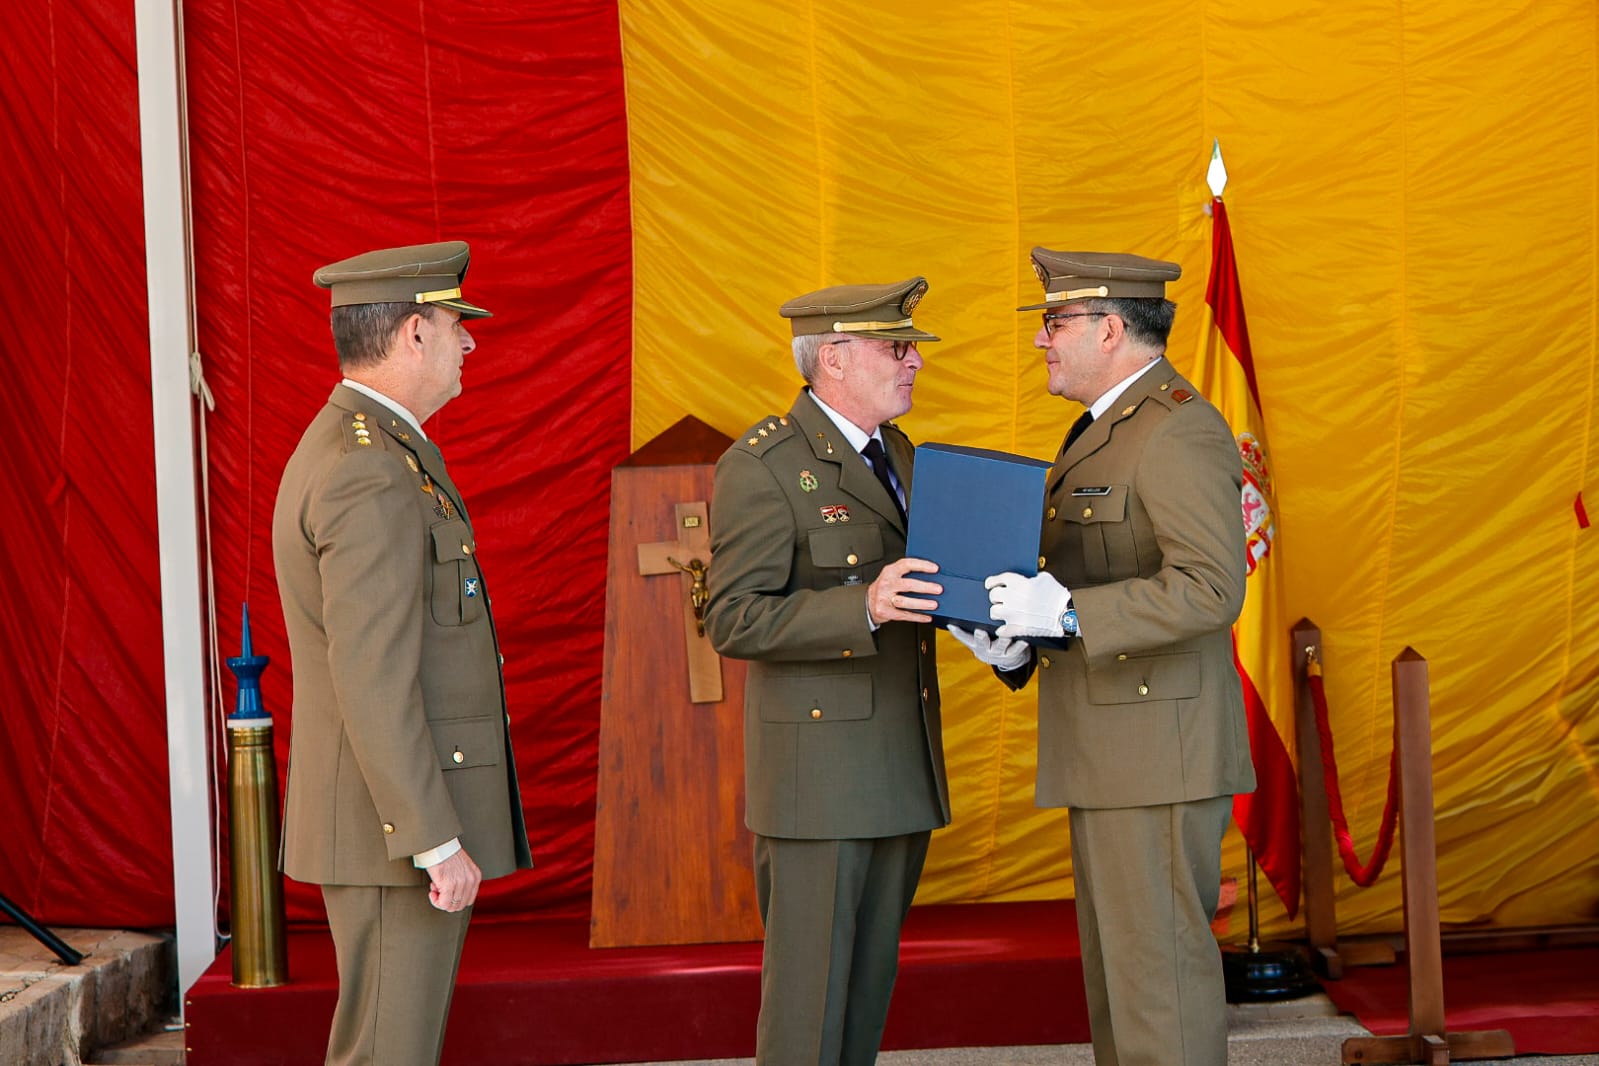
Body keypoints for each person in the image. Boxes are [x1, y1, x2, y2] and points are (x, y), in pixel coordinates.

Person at [951, 248, 1255, 1066]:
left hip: (1157, 752)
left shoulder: (1175, 428)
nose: (1042, 342)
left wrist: (1072, 611)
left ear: (1109, 328)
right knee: (1123, 985)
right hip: (1114, 746)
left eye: (1054, 323)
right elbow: (1097, 574)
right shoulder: (1107, 427)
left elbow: (1209, 589)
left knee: (1160, 986)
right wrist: (1019, 640)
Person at [272, 240, 533, 1066]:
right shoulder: (368, 470)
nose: (470, 344)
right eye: (458, 325)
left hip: (382, 819)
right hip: (392, 830)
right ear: (414, 333)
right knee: (388, 1052)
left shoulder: (377, 448)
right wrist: (429, 837)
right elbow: (372, 674)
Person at [704, 277, 949, 1066]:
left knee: (864, 993)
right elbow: (732, 617)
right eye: (895, 348)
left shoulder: (899, 454)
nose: (913, 363)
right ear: (833, 357)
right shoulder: (765, 463)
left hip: (895, 767)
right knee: (808, 1011)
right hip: (818, 782)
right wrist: (863, 608)